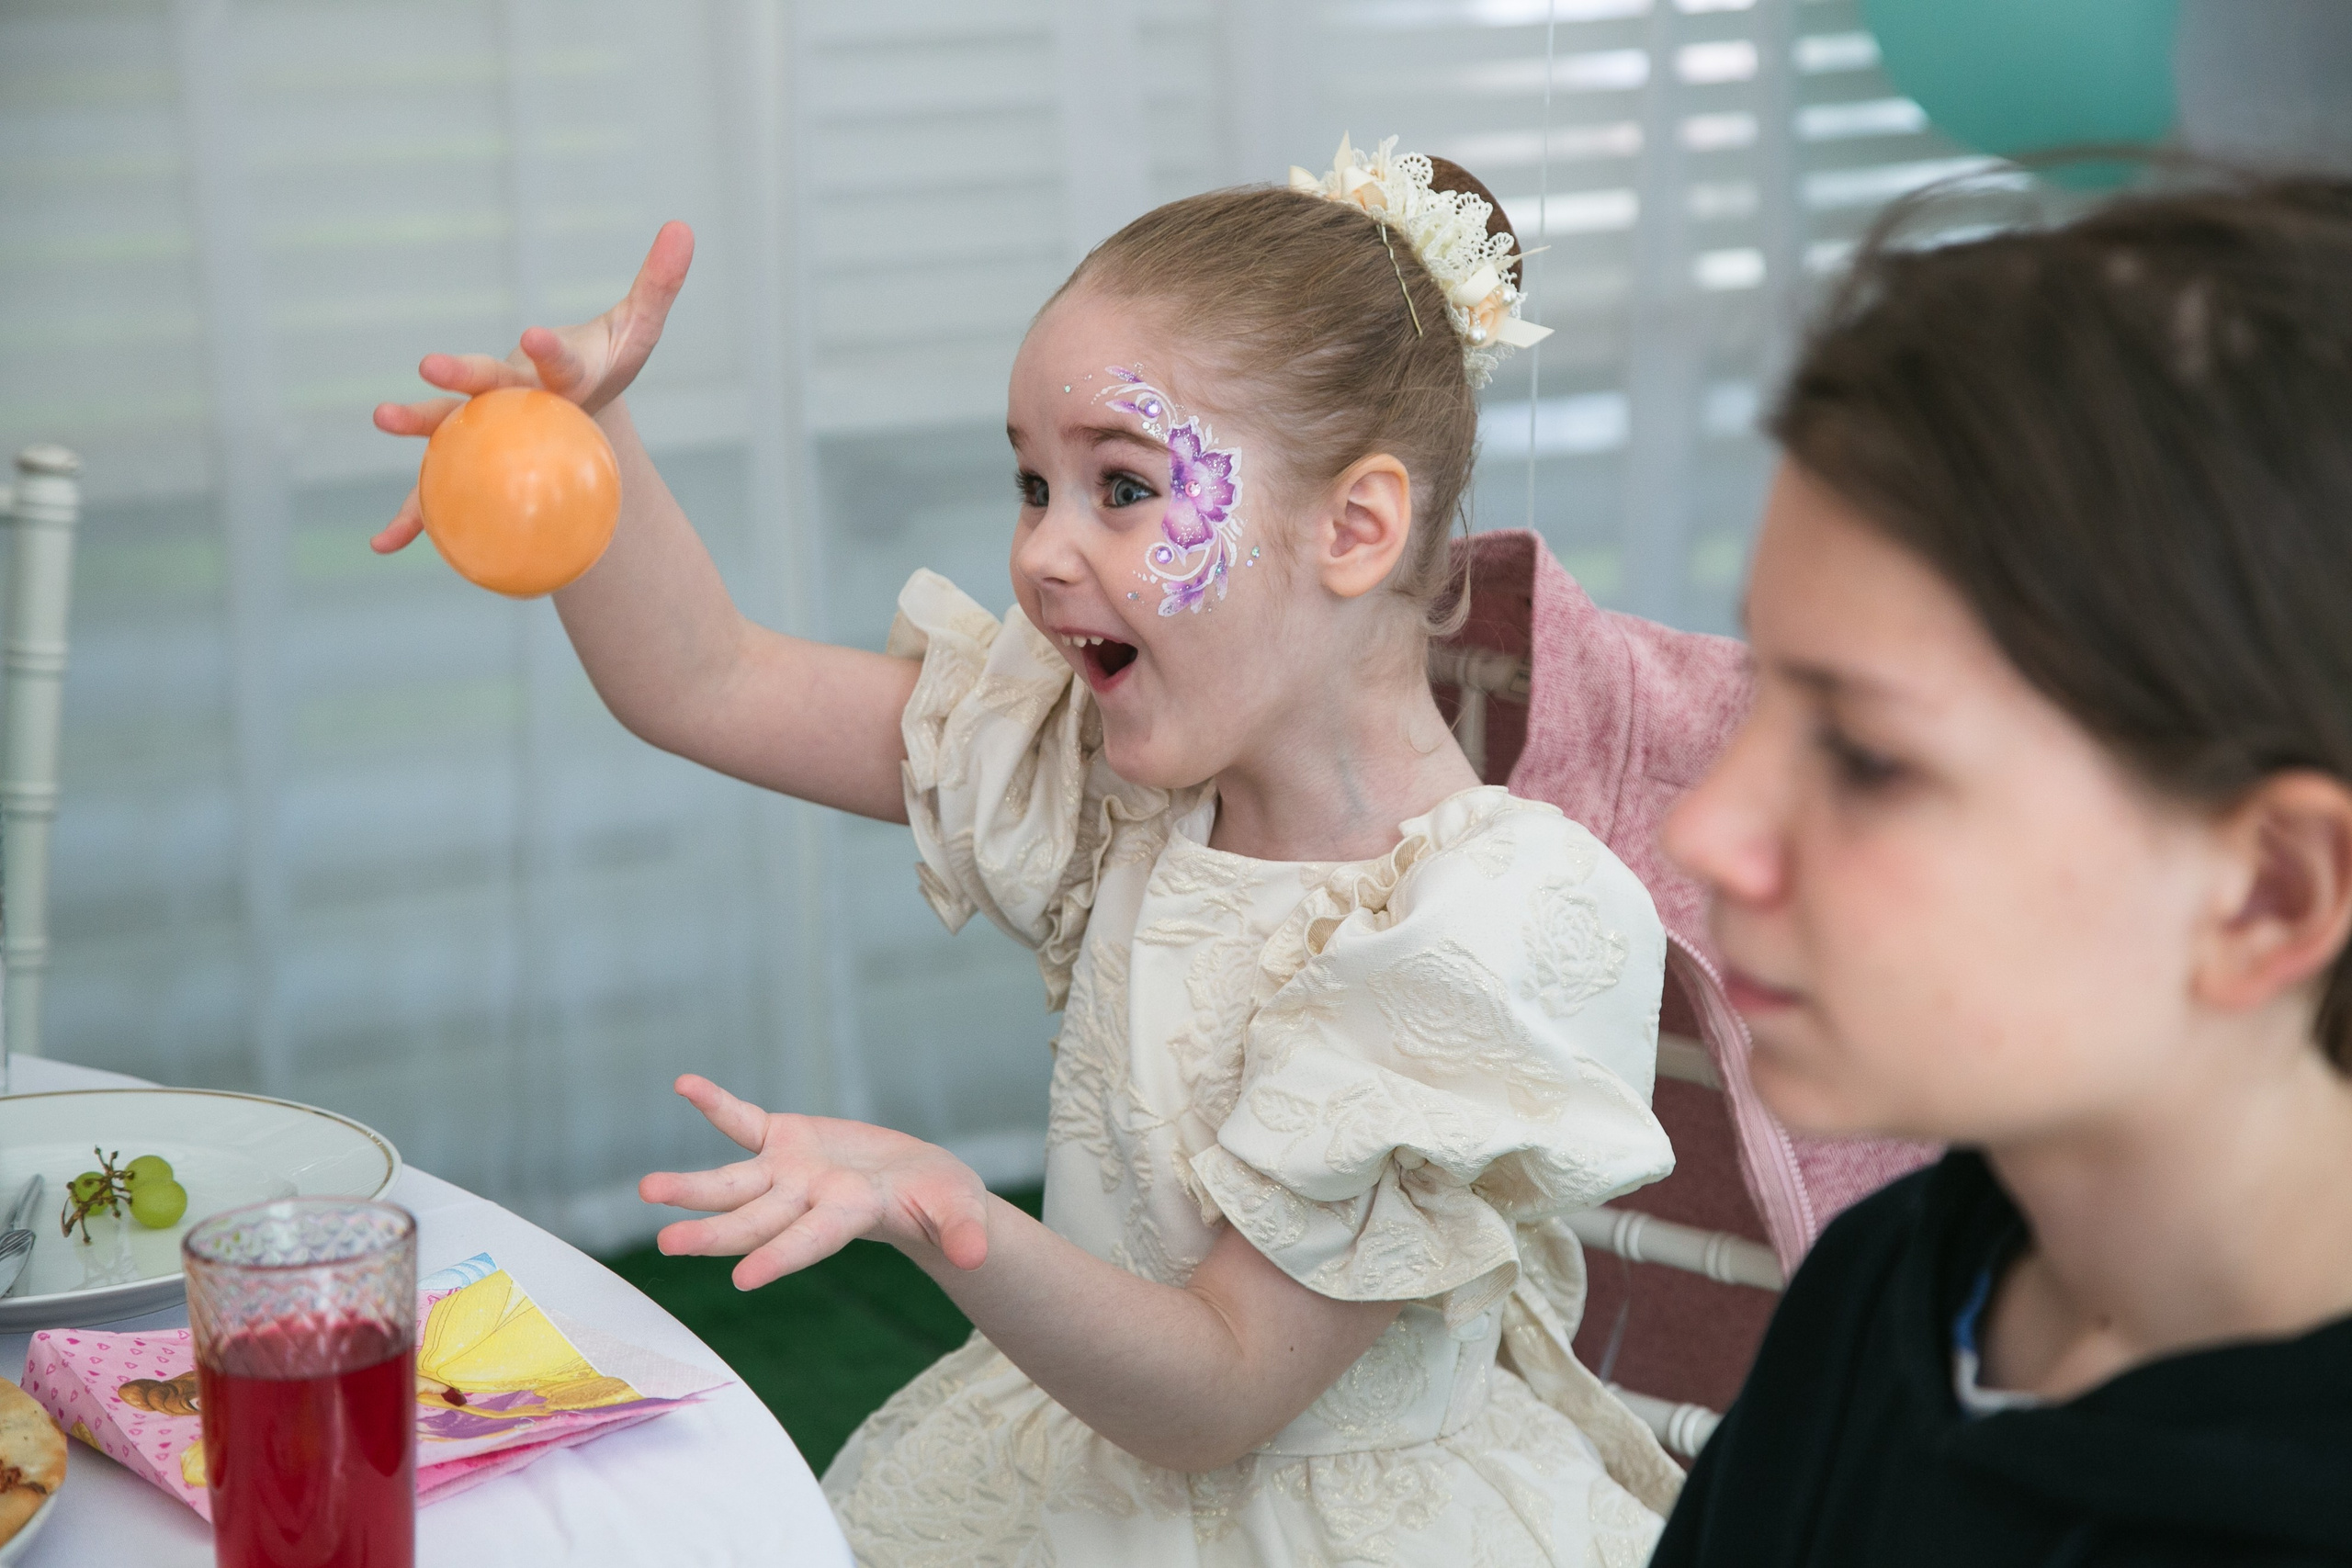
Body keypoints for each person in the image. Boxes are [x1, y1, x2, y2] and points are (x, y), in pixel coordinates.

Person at [375, 139, 1687, 1564]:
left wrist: (946, 1212)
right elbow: (709, 682)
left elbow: (1222, 1391)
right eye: (1030, 485)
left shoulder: (1469, 933)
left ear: (1355, 527)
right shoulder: (1106, 781)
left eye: (1120, 487)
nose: (1044, 553)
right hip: (1084, 1465)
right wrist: (591, 437)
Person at [1653, 176, 2352, 1566]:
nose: (1706, 829)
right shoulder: (1893, 1284)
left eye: (1867, 757)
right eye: (1759, 693)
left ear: (2266, 894)